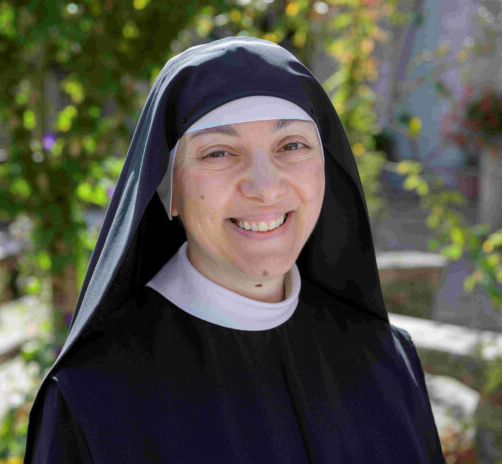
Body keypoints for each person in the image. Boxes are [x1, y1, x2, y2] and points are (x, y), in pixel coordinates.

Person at [23, 36, 446, 463]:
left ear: (326, 170)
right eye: (219, 152)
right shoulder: (92, 399)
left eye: (292, 145)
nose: (265, 188)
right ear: (169, 192)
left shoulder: (388, 362)